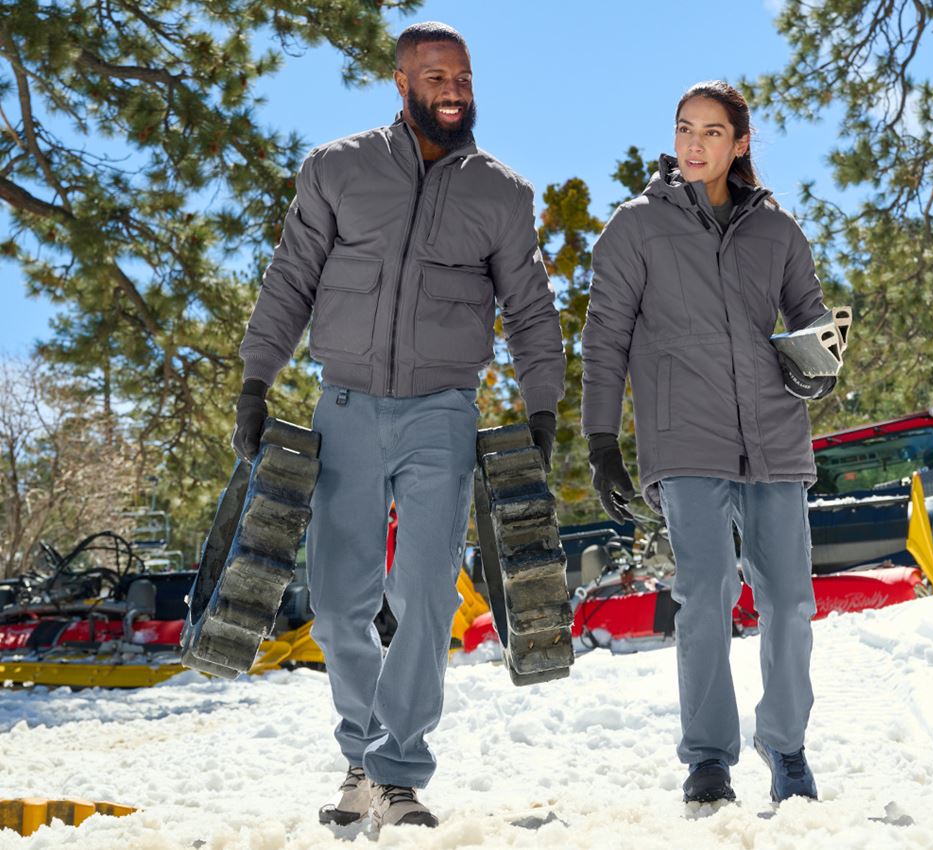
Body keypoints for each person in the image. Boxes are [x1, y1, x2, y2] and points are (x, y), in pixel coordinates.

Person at [233, 22, 564, 829]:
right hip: (342, 404)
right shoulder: (337, 169)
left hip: (441, 410)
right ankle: (360, 758)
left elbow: (529, 308)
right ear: (401, 82)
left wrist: (542, 404)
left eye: (464, 75)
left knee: (423, 592)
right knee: (341, 601)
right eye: (436, 75)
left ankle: (400, 773)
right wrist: (255, 378)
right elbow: (289, 280)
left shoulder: (502, 193)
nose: (454, 88)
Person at [581, 80, 837, 806]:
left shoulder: (777, 230)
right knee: (706, 594)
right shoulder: (636, 227)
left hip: (775, 436)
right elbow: (605, 340)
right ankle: (709, 759)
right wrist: (603, 439)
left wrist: (819, 368)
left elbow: (810, 319)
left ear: (741, 143)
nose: (695, 144)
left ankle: (785, 746)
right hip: (684, 435)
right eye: (685, 129)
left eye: (713, 132)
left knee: (789, 602)